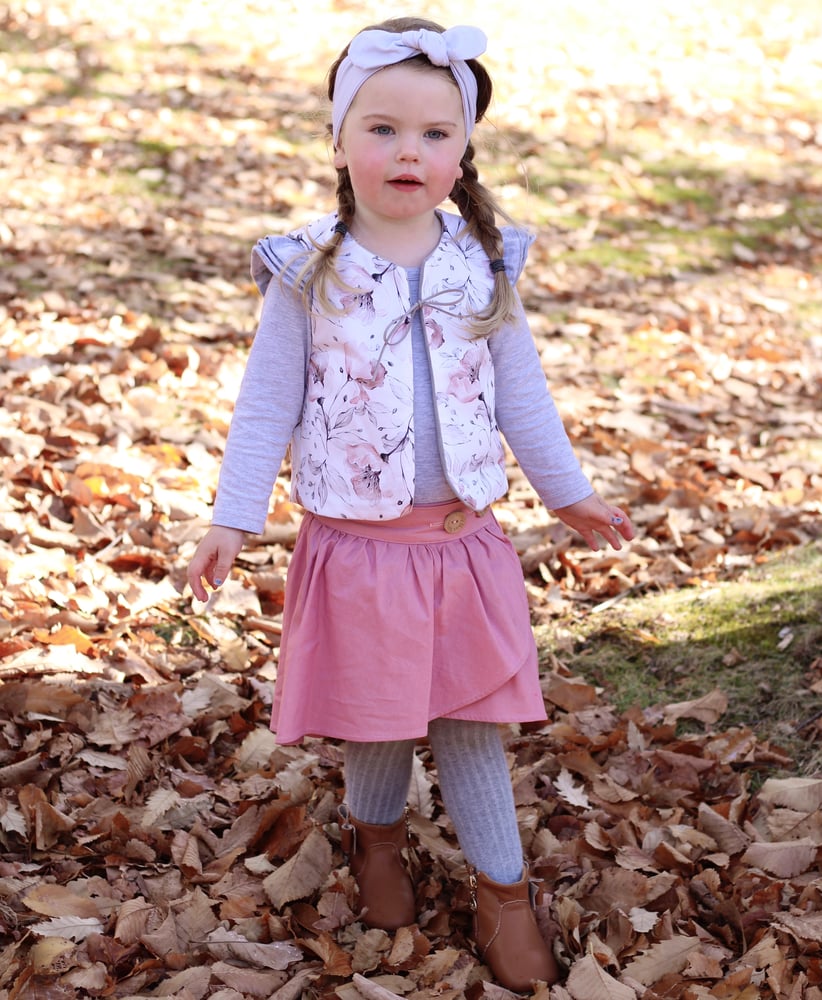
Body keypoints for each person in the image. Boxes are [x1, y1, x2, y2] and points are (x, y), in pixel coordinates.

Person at [187, 16, 634, 992]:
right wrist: (230, 517)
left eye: (435, 134)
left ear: (463, 148)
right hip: (359, 547)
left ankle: (502, 892)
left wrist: (571, 494)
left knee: (472, 719)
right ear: (339, 139)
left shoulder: (483, 258)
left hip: (462, 542)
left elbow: (523, 389)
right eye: (382, 128)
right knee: (380, 719)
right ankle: (377, 844)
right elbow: (267, 402)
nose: (408, 152)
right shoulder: (309, 270)